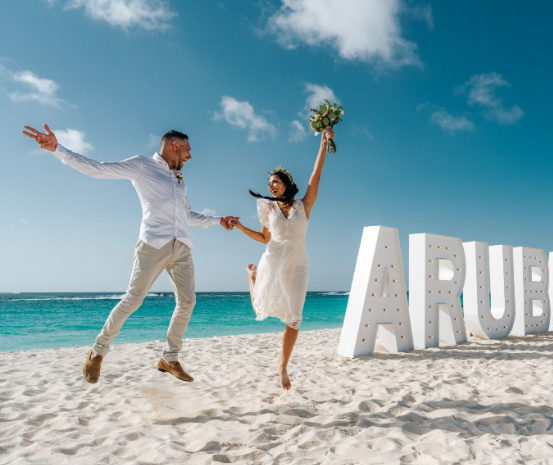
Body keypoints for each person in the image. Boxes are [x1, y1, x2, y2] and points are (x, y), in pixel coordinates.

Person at [21, 124, 238, 384]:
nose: (190, 157)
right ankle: (98, 351)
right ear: (174, 146)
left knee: (188, 302)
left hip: (182, 247)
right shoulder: (142, 165)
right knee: (133, 300)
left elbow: (187, 215)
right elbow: (97, 169)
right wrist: (58, 149)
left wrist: (218, 220)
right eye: (188, 150)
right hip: (153, 245)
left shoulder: (178, 179)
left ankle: (169, 358)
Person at [232, 128, 334, 390]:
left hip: (299, 264)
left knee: (295, 318)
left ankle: (282, 366)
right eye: (269, 185)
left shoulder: (304, 205)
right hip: (273, 260)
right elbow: (266, 238)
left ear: (286, 183)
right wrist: (242, 228)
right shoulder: (267, 207)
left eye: (275, 182)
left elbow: (316, 175)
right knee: (258, 308)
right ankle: (252, 278)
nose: (271, 186)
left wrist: (324, 142)